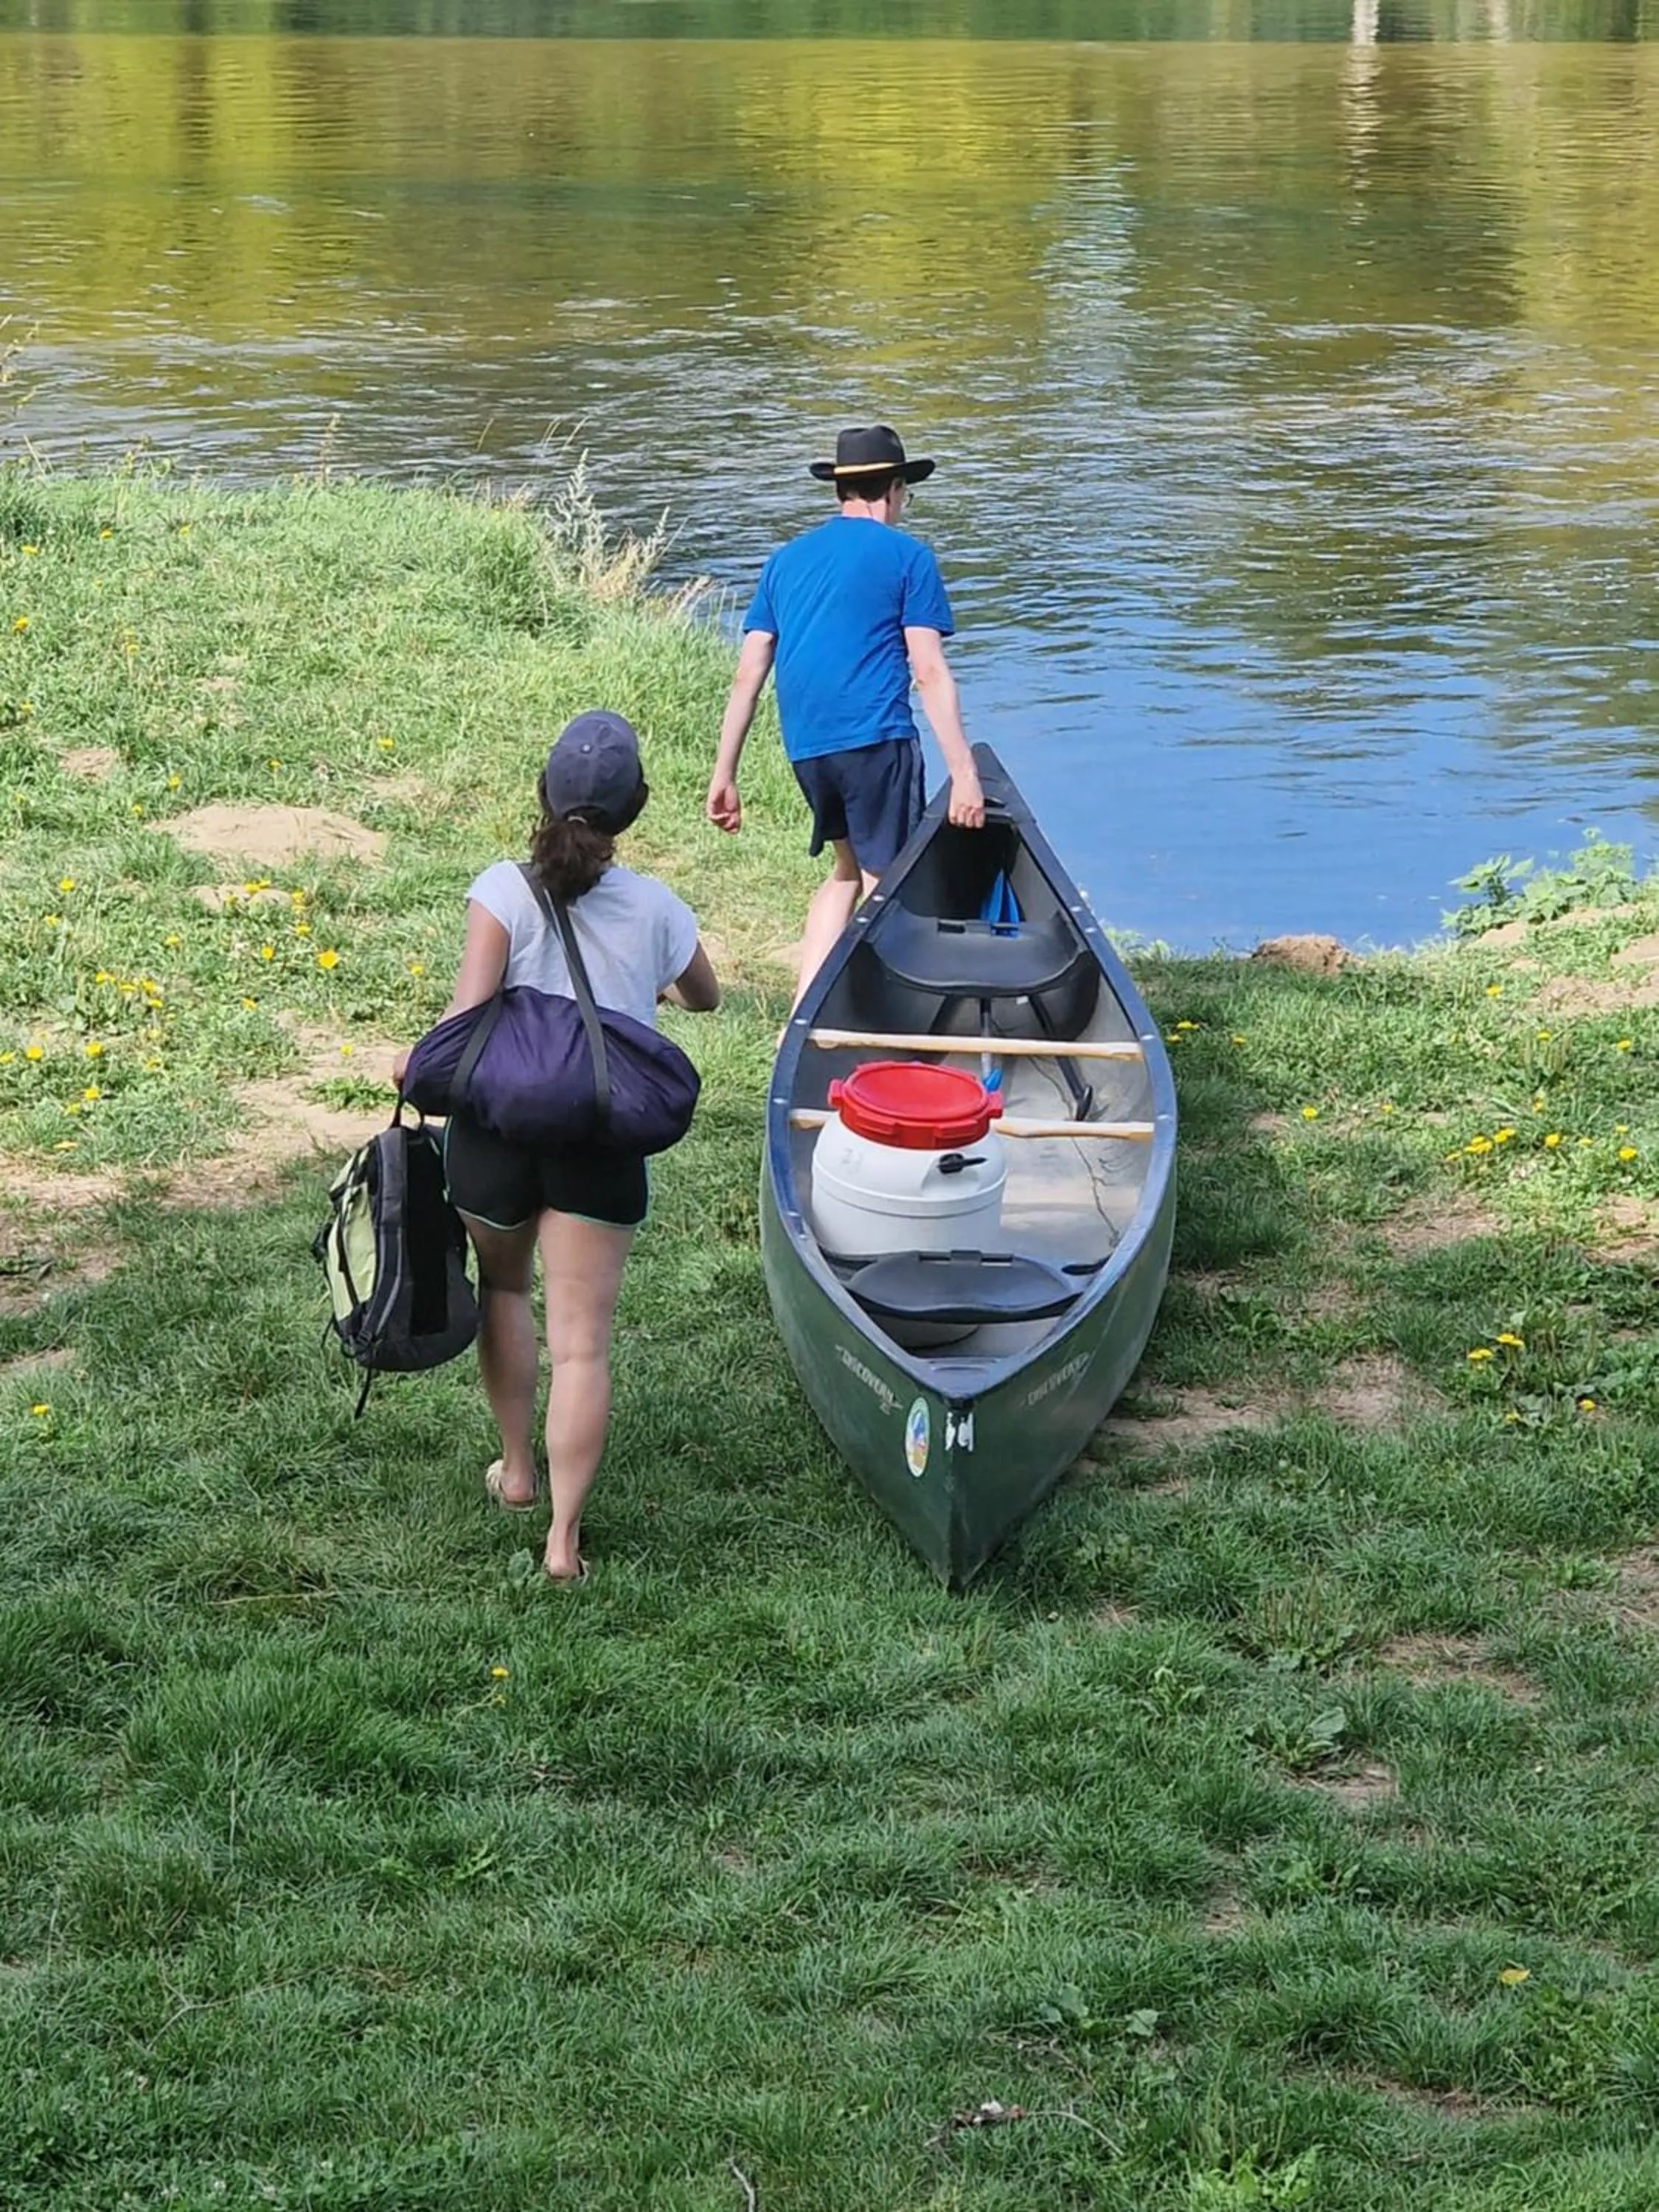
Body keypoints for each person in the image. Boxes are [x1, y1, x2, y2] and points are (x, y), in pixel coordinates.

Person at [394, 711, 720, 1584]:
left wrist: (408, 1063)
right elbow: (706, 995)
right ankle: (564, 1542)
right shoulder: (657, 907)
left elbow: (465, 1021)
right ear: (637, 808)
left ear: (542, 795)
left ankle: (517, 1471)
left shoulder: (501, 889)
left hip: (497, 1135)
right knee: (584, 1342)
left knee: (504, 1288)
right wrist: (650, 979)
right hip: (598, 1139)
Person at [706, 423, 985, 1006]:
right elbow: (928, 671)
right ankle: (890, 1020)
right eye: (905, 492)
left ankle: (803, 1017)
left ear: (841, 490)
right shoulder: (908, 557)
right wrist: (965, 774)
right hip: (875, 739)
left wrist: (723, 774)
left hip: (809, 746)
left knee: (846, 872)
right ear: (893, 490)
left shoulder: (786, 561)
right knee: (892, 886)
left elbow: (749, 671)